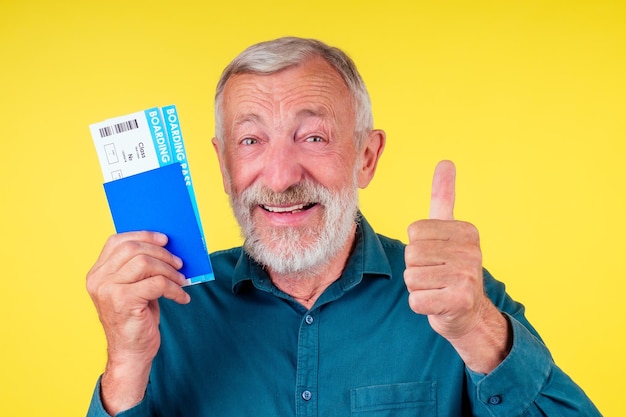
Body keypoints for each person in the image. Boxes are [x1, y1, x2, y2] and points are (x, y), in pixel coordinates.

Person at [86, 37, 601, 416]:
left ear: (367, 157)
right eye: (251, 141)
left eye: (312, 137)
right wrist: (126, 363)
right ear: (224, 167)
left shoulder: (455, 296)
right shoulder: (169, 310)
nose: (282, 176)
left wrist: (477, 331)